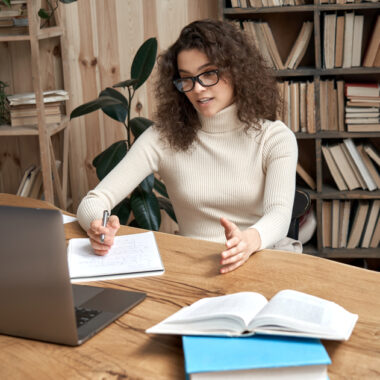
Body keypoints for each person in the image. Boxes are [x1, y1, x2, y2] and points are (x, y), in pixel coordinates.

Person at [77, 19, 298, 274]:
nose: (198, 89)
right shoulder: (162, 138)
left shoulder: (274, 138)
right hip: (194, 268)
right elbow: (95, 200)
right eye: (187, 79)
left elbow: (279, 216)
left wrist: (248, 242)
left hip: (262, 260)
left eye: (209, 74)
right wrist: (98, 226)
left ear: (236, 70)